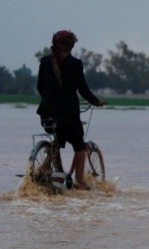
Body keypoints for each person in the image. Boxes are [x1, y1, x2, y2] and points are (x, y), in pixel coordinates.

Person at [36, 30, 106, 190]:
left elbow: (40, 87)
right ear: (69, 46)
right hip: (68, 115)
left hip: (46, 113)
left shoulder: (45, 61)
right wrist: (96, 101)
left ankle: (43, 169)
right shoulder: (75, 64)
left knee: (58, 140)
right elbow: (83, 89)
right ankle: (80, 181)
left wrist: (50, 100)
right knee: (79, 145)